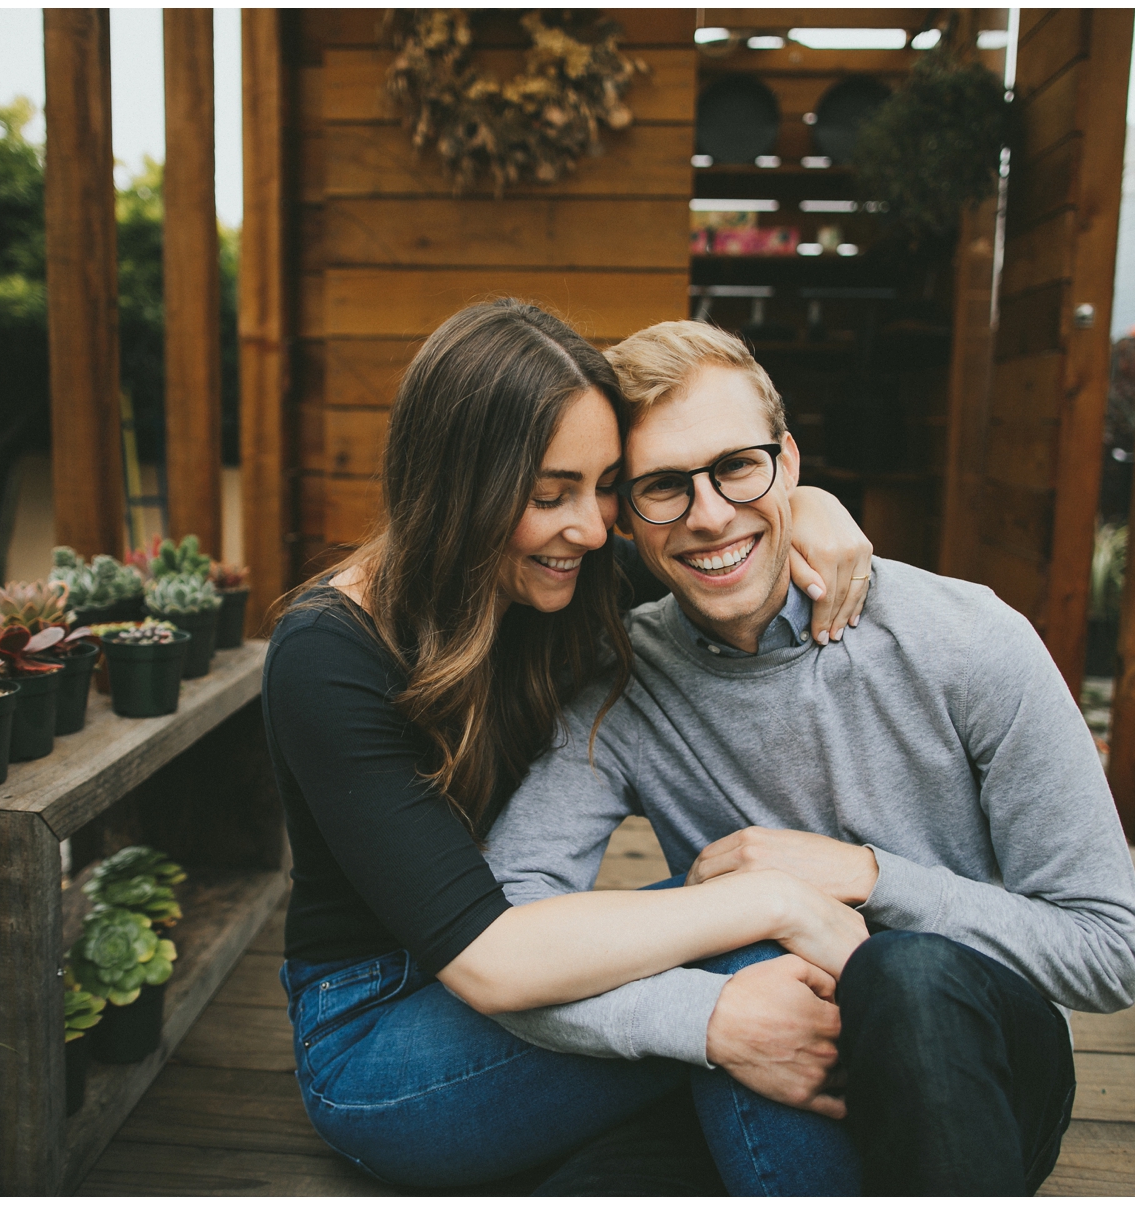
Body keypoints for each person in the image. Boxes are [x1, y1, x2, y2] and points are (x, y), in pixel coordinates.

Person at [484, 319, 1135, 1196]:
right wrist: (702, 1015)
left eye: (736, 466)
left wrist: (866, 875)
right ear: (622, 518)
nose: (711, 512)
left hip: (973, 1072)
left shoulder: (971, 640)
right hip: (778, 1068)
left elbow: (1107, 950)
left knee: (903, 973)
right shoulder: (622, 682)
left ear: (789, 464)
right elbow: (511, 916)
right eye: (663, 487)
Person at [262, 299, 882, 1189]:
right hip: (382, 1034)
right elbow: (491, 958)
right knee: (751, 965)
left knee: (756, 979)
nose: (592, 529)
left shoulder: (566, 572)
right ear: (458, 487)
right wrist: (775, 909)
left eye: (601, 487)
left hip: (533, 949)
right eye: (550, 495)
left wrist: (808, 502)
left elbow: (724, 529)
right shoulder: (328, 654)